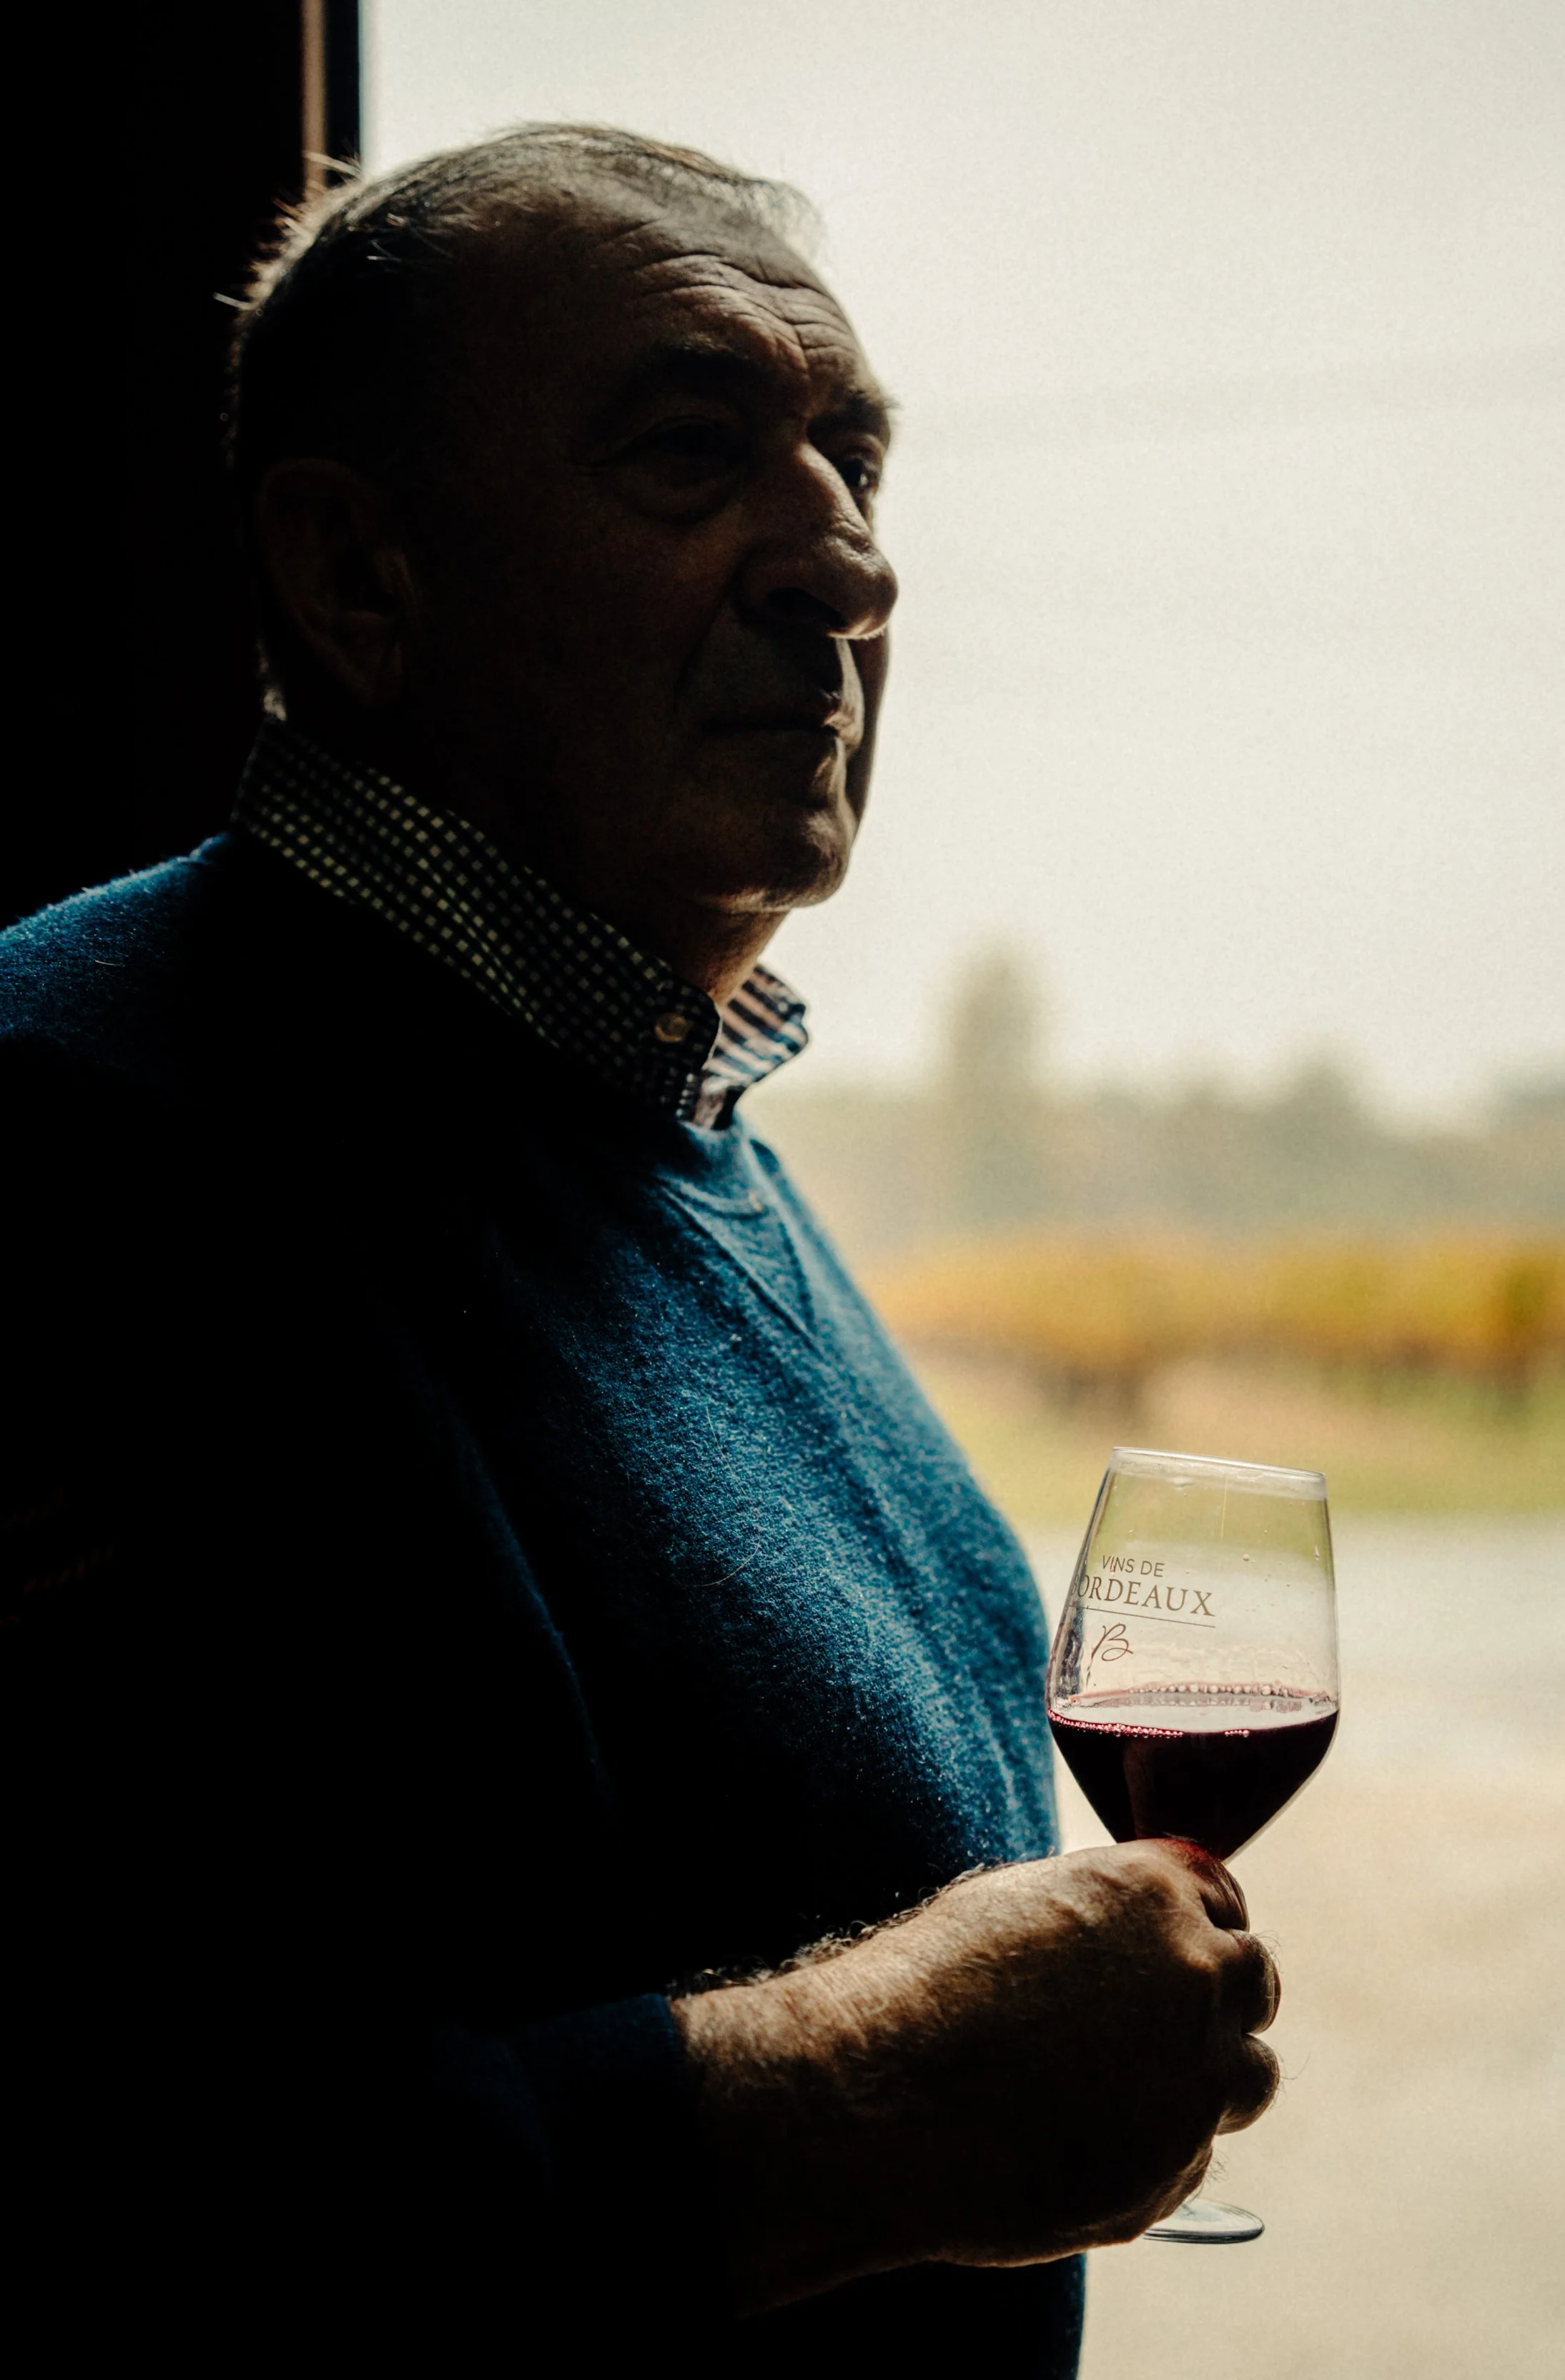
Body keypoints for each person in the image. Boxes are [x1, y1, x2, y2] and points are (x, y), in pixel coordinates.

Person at [1, 127, 1282, 2374]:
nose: (843, 564)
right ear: (356, 575)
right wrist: (864, 2109)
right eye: (694, 455)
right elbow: (96, 2194)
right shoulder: (62, 1140)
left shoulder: (670, 1128)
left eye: (854, 462)